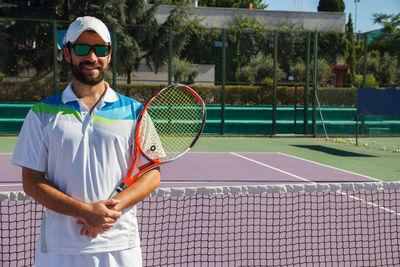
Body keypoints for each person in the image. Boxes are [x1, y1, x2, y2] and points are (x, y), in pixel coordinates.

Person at [11, 16, 160, 267]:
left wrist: (106, 213)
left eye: (100, 49)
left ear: (109, 55)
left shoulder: (136, 112)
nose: (92, 57)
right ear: (68, 54)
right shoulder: (41, 113)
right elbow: (31, 182)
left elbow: (152, 173)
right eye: (82, 48)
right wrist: (84, 212)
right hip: (58, 250)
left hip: (120, 248)